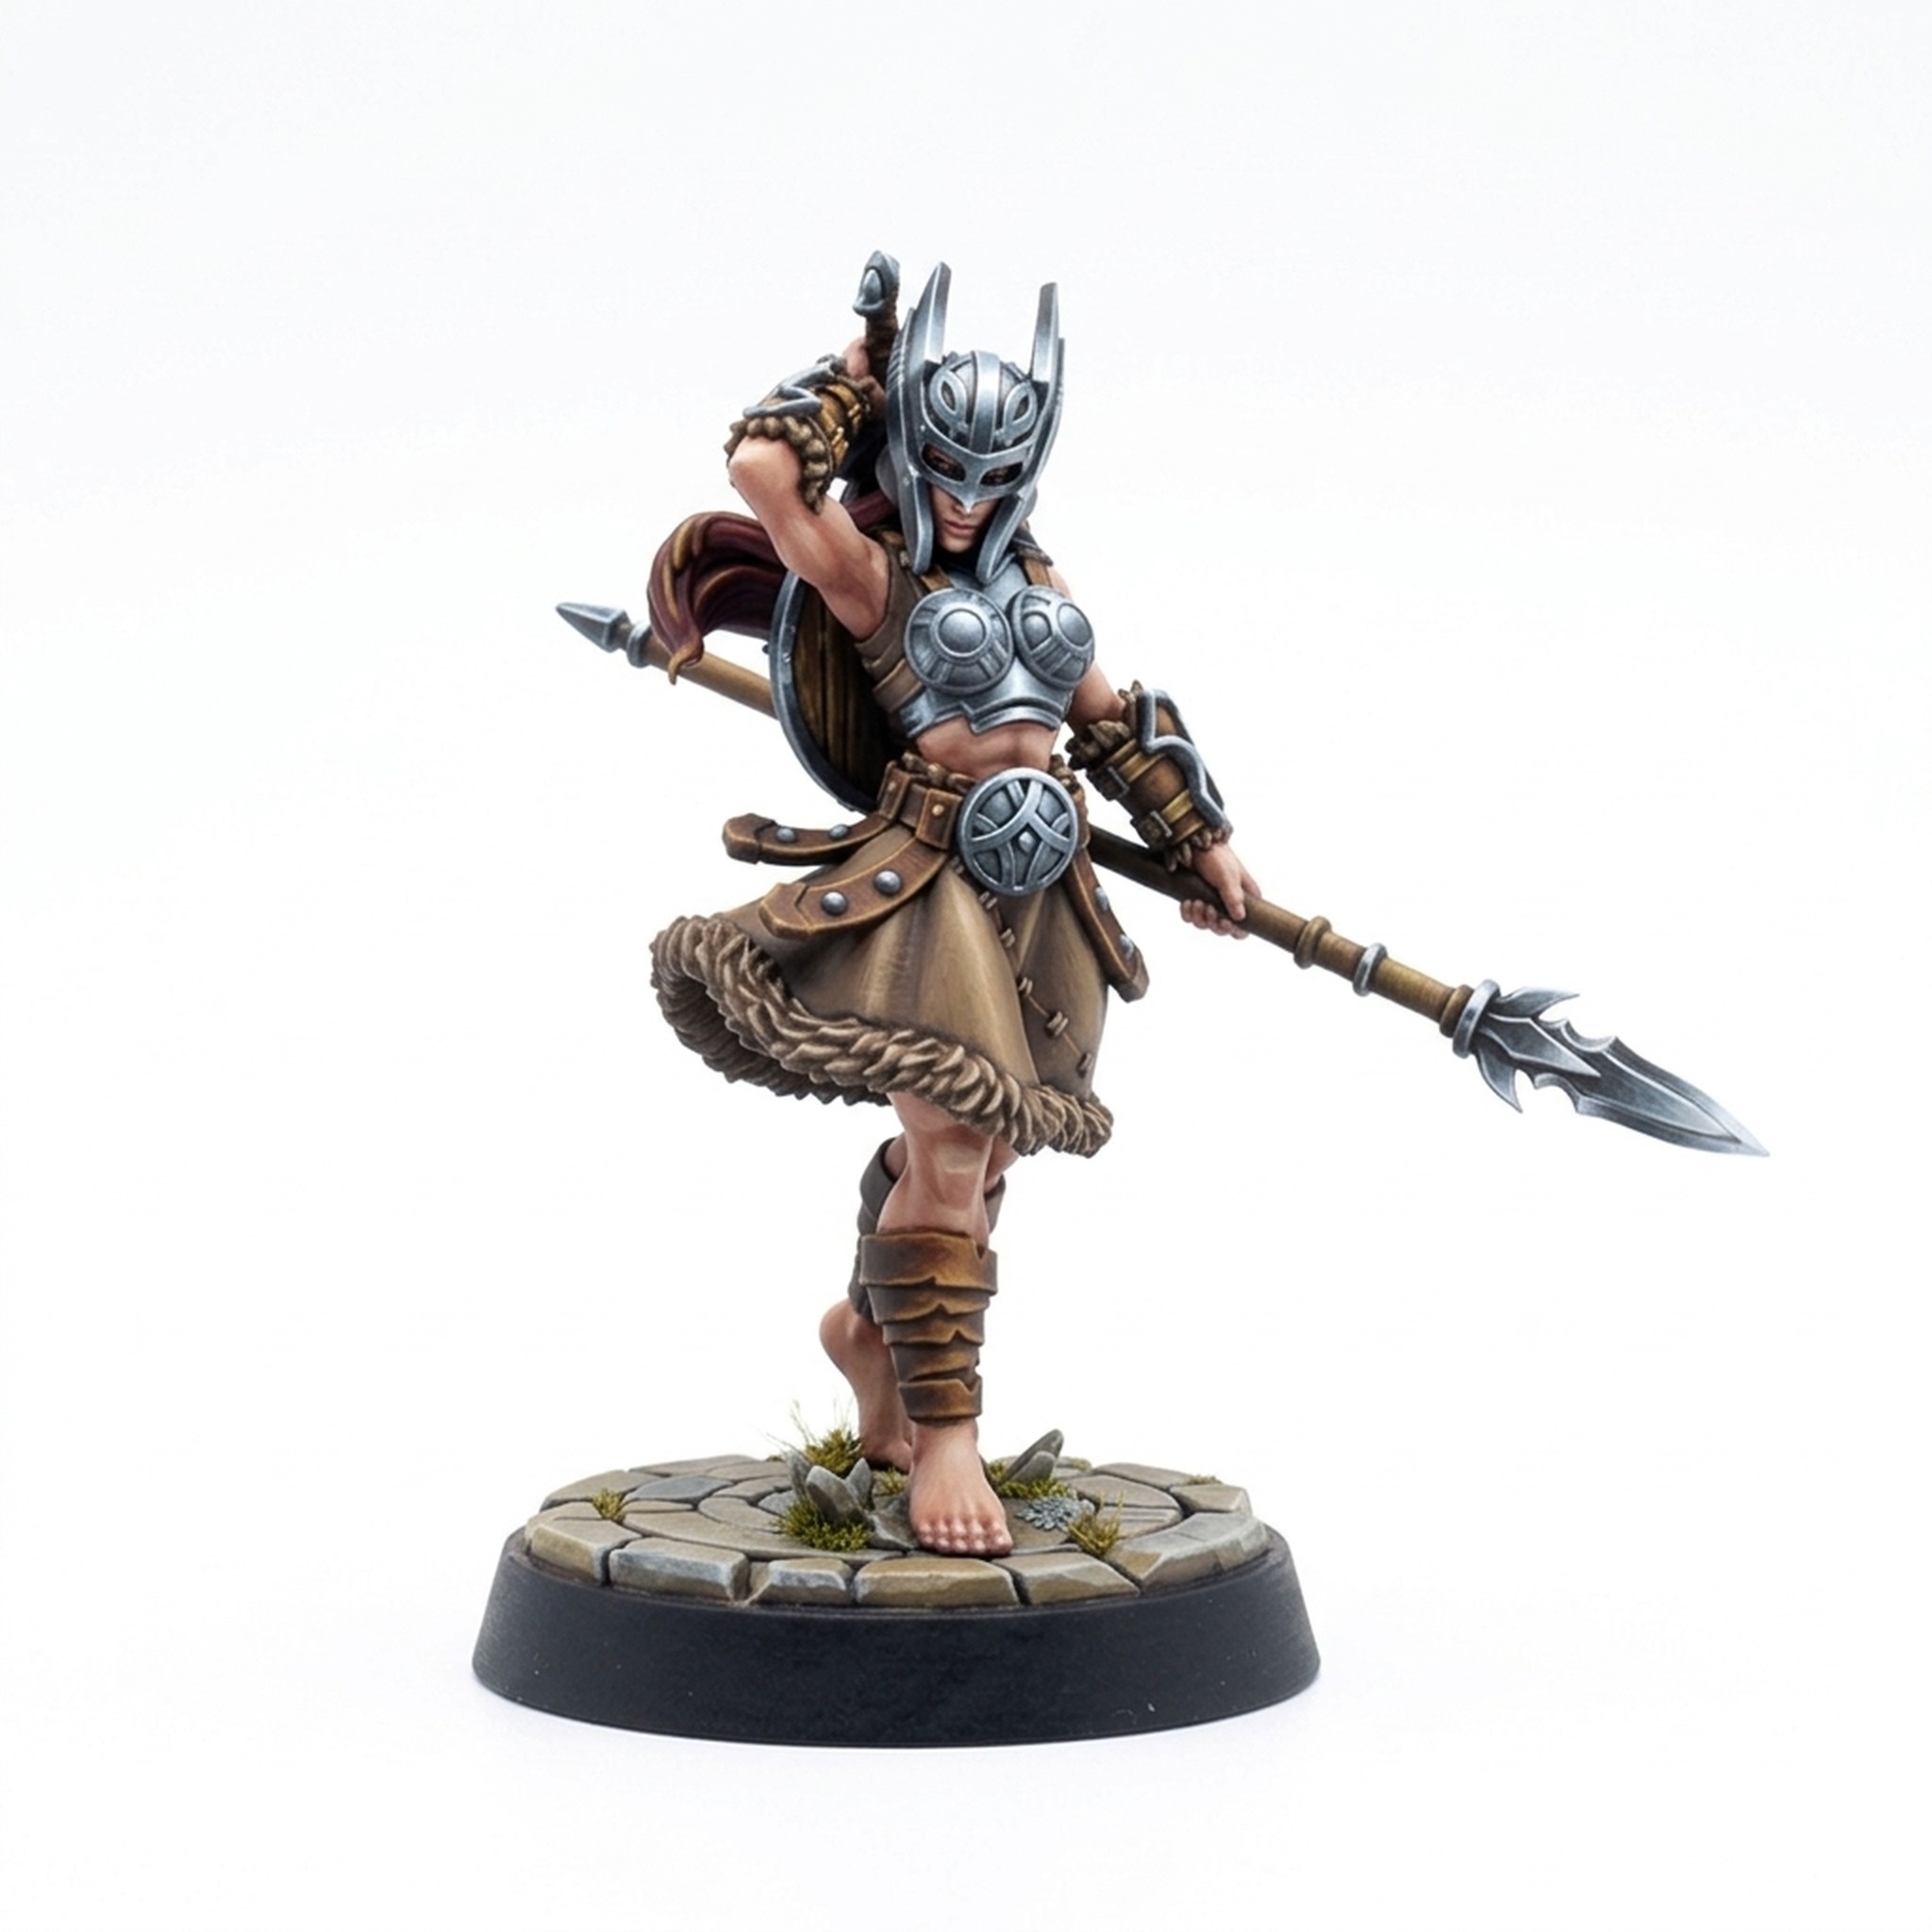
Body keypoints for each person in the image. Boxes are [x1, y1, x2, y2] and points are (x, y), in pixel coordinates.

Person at [648, 260, 1258, 1556]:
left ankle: (872, 1339)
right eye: (946, 469)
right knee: (956, 1152)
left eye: (996, 474)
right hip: (926, 886)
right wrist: (850, 386)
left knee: (994, 1157)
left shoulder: (1041, 589)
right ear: (913, 456)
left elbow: (1109, 721)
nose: (970, 498)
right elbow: (762, 473)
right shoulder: (876, 579)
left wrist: (1202, 845)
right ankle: (945, 1438)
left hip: (1043, 892)